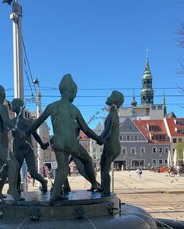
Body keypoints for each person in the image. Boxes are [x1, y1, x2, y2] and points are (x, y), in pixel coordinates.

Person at [23, 74, 104, 202]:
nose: (75, 96)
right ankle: (94, 183)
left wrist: (25, 133)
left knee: (62, 169)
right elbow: (87, 130)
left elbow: (36, 123)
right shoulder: (74, 109)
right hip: (72, 144)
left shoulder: (52, 106)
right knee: (88, 159)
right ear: (70, 91)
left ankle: (54, 197)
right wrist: (99, 139)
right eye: (75, 93)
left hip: (59, 144)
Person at [0, 84, 24, 201]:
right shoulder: (2, 107)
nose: (5, 95)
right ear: (0, 95)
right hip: (1, 144)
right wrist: (17, 131)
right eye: (4, 93)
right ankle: (12, 189)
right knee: (14, 164)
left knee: (5, 168)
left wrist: (0, 133)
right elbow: (8, 122)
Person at [11, 98, 49, 193]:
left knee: (32, 172)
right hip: (18, 149)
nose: (12, 107)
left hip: (28, 149)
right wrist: (42, 144)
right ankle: (17, 190)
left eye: (13, 105)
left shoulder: (27, 122)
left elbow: (35, 135)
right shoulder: (13, 122)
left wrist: (42, 144)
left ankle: (44, 182)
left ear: (18, 107)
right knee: (16, 170)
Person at [100, 90, 124, 195]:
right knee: (103, 166)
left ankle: (106, 191)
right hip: (113, 146)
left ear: (114, 100)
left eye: (110, 96)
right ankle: (103, 187)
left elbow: (108, 131)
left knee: (105, 169)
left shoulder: (112, 114)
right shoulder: (113, 113)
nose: (108, 97)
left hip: (111, 146)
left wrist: (100, 139)